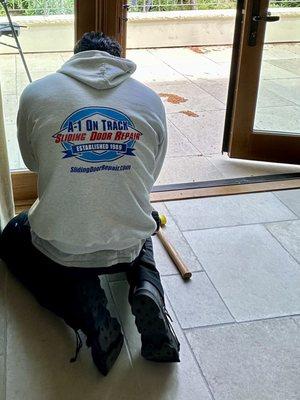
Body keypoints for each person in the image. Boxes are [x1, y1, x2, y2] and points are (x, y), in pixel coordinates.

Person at [0, 32, 180, 376]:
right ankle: (146, 286)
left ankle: (86, 308)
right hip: (127, 244)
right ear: (118, 59)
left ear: (76, 57)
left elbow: (34, 163)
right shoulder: (150, 99)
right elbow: (150, 176)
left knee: (12, 236)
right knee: (145, 217)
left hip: (62, 248)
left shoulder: (37, 92)